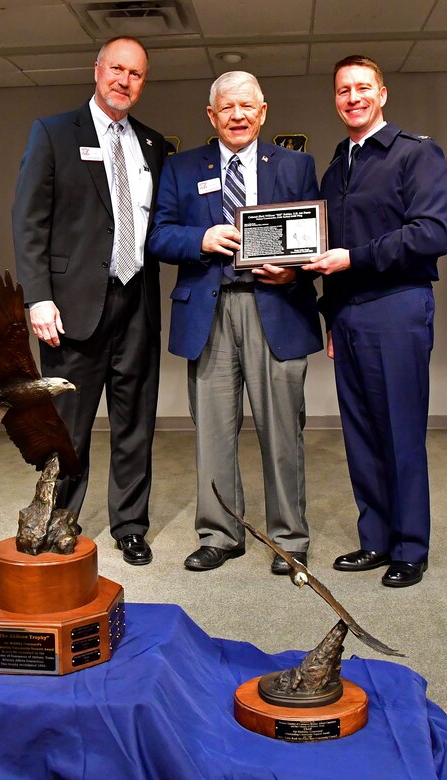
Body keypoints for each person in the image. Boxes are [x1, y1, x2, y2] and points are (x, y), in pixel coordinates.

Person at [148, 71, 323, 573]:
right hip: (209, 310)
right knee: (214, 432)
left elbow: (310, 238)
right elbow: (159, 236)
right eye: (227, 108)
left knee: (283, 432)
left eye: (247, 106)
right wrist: (199, 240)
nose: (238, 116)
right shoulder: (182, 169)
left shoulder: (295, 165)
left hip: (277, 306)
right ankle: (220, 534)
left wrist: (292, 268)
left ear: (263, 112)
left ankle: (289, 539)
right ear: (212, 116)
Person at [12, 37, 166, 565]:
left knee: (134, 424)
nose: (125, 81)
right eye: (117, 69)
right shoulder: (54, 133)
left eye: (137, 74)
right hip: (73, 309)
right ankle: (60, 520)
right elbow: (30, 222)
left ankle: (129, 525)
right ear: (97, 70)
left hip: (137, 305)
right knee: (68, 427)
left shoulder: (152, 145)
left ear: (144, 83)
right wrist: (38, 297)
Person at [303, 55, 447, 587]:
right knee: (361, 432)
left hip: (397, 305)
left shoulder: (417, 154)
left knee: (401, 429)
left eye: (363, 87)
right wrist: (330, 315)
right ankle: (376, 541)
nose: (353, 98)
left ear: (382, 94)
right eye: (343, 90)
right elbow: (325, 252)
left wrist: (354, 258)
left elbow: (431, 234)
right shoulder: (334, 167)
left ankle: (411, 546)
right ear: (336, 99)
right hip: (348, 315)